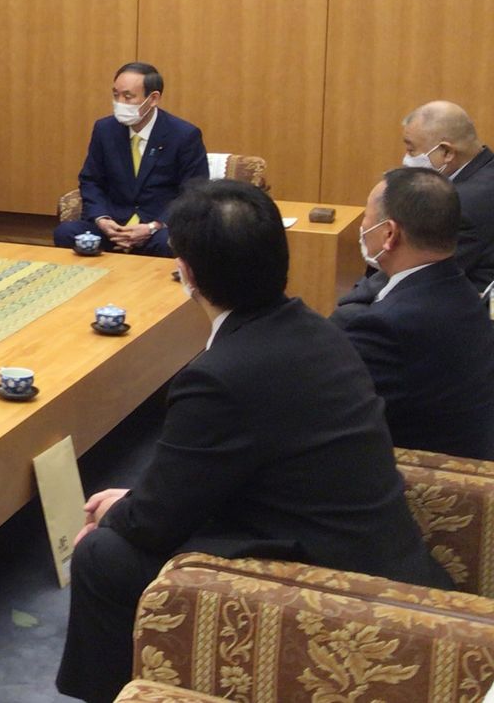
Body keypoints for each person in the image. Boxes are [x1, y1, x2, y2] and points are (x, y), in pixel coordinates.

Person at [56, 180, 451, 703]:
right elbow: (213, 472)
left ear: (187, 272)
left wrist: (117, 512)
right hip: (370, 547)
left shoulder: (218, 376)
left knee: (102, 554)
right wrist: (135, 503)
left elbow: (154, 522)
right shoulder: (317, 329)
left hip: (332, 587)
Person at [336, 168, 494, 459]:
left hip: (419, 471)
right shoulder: (465, 293)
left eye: (366, 218)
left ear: (389, 233)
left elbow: (335, 414)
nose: (362, 226)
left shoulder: (385, 327)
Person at [52, 62, 208, 256]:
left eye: (128, 97)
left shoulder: (184, 135)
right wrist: (102, 219)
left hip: (155, 230)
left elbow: (193, 193)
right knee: (66, 233)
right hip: (113, 227)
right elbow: (91, 180)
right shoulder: (105, 129)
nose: (120, 103)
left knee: (170, 243)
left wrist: (153, 226)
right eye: (116, 95)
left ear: (153, 99)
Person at [400, 101, 494, 290]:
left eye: (411, 150)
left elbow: (418, 276)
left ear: (447, 152)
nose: (406, 159)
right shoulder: (486, 169)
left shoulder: (461, 205)